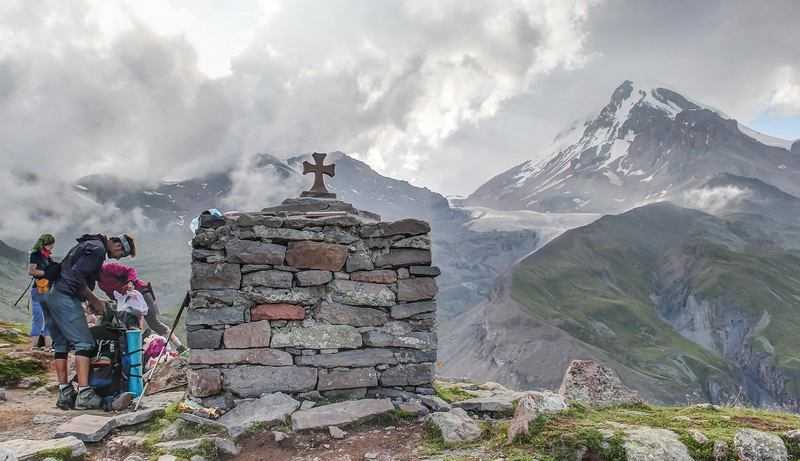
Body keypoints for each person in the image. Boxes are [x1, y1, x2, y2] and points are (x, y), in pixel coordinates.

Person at [43, 233, 136, 410]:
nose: (118, 257)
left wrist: (88, 300)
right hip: (65, 296)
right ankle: (85, 394)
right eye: (121, 254)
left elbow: (72, 271)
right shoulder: (98, 249)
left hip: (52, 295)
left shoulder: (88, 244)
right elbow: (77, 276)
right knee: (85, 343)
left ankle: (65, 393)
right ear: (117, 245)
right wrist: (94, 300)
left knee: (61, 344)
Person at [98, 261, 186, 352]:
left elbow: (130, 271)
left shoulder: (108, 268)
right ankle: (140, 350)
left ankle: (179, 346)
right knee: (131, 326)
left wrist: (130, 283)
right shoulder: (100, 284)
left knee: (154, 323)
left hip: (140, 291)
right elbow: (113, 296)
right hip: (128, 302)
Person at [28, 234, 55, 350]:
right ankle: (34, 346)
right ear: (46, 244)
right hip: (38, 289)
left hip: (47, 289)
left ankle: (48, 346)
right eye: (51, 245)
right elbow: (31, 271)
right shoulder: (36, 255)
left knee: (48, 317)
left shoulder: (48, 257)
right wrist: (46, 273)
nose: (52, 247)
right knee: (38, 317)